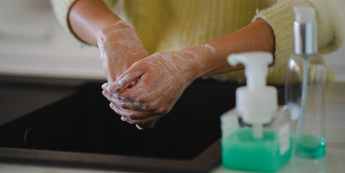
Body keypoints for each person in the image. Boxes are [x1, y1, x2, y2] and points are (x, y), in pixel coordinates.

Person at [50, 0, 343, 130]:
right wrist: (111, 32)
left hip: (287, 102)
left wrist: (194, 61)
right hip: (161, 97)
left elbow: (323, 10)